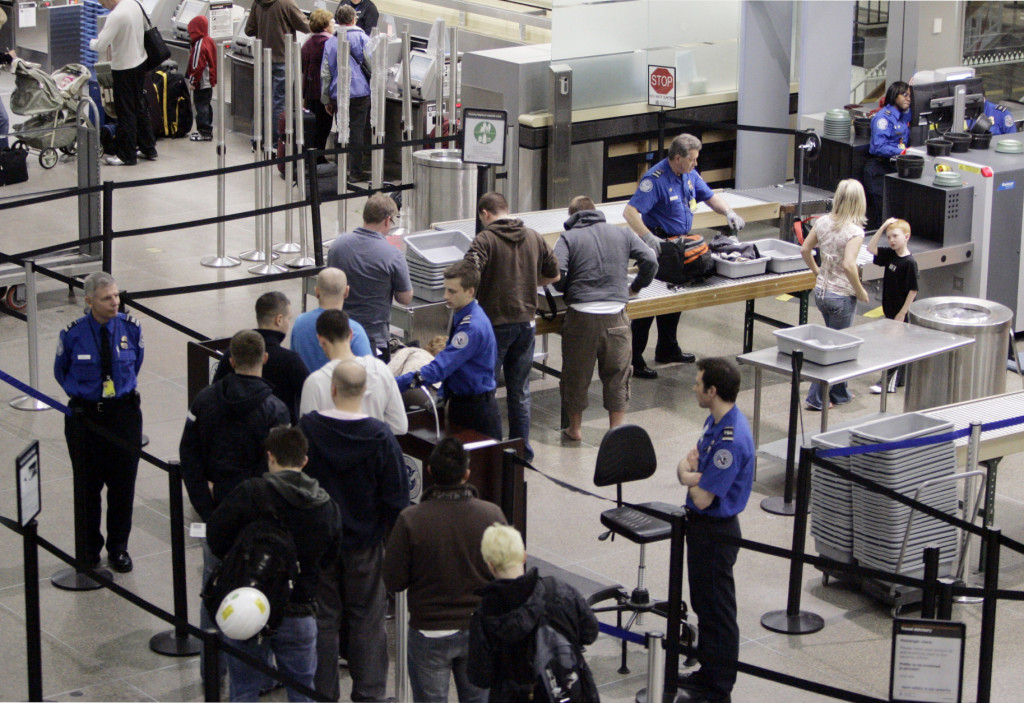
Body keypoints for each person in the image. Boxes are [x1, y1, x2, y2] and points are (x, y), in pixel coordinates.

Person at [207, 426, 342, 703]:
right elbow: (330, 557)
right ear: (304, 460)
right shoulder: (325, 506)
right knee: (302, 691)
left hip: (248, 605)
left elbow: (216, 536)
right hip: (300, 609)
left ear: (270, 456)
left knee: (243, 690)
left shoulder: (251, 492)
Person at [300, 360, 409, 702]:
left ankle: (323, 694)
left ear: (332, 389)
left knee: (324, 620)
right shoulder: (380, 437)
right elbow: (397, 499)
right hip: (365, 543)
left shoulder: (307, 429)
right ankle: (370, 694)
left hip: (319, 544)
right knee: (368, 620)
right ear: (366, 392)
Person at [383, 438, 507, 703]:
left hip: (429, 632)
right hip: (478, 631)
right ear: (466, 474)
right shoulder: (491, 515)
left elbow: (393, 580)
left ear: (429, 471)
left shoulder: (410, 519)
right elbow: (509, 576)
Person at [623, 133, 745, 379]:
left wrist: (728, 212)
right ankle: (634, 359)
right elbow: (630, 212)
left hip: (679, 247)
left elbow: (709, 196)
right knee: (647, 306)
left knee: (674, 297)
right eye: (692, 159)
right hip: (658, 245)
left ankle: (667, 348)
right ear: (677, 158)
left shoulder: (688, 174)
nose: (696, 163)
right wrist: (648, 237)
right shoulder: (655, 179)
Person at [674, 357, 754, 703]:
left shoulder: (731, 440)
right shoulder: (716, 422)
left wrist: (688, 476)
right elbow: (689, 464)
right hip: (702, 528)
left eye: (698, 384)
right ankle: (707, 671)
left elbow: (703, 497)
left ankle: (718, 686)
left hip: (716, 530)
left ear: (713, 391)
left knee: (718, 610)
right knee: (704, 603)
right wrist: (689, 473)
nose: (693, 388)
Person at [54, 272, 143, 573]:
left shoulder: (130, 329)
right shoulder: (73, 334)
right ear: (89, 301)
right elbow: (61, 371)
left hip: (124, 416)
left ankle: (119, 548)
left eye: (117, 296)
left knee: (123, 486)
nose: (115, 302)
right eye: (107, 298)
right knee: (87, 488)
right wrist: (85, 396)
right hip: (85, 418)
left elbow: (137, 362)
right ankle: (89, 549)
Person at [554, 195, 658, 441]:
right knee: (618, 374)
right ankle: (616, 429)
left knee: (576, 375)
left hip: (581, 318)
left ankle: (575, 429)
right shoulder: (622, 233)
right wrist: (635, 288)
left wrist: (568, 290)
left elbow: (556, 270)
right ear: (595, 212)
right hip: (616, 316)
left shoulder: (568, 237)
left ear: (571, 217)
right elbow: (651, 259)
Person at [467, 192, 560, 460]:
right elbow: (554, 274)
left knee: (487, 388)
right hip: (526, 324)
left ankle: (491, 448)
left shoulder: (485, 239)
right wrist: (531, 282)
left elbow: (469, 272)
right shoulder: (533, 235)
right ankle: (522, 449)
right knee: (520, 391)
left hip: (495, 325)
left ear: (485, 214)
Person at [467, 524, 599, 702]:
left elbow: (480, 677)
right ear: (523, 556)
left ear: (490, 565)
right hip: (569, 691)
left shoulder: (486, 614)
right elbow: (590, 633)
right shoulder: (558, 590)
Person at [396, 261, 501, 440]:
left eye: (452, 291)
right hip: (460, 402)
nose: (445, 296)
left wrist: (398, 383)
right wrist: (443, 394)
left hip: (476, 412)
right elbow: (456, 367)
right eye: (445, 289)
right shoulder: (462, 313)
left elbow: (441, 367)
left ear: (470, 291)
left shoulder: (472, 328)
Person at [799, 178, 870, 411]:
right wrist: (860, 291)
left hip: (821, 292)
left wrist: (817, 271)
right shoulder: (855, 232)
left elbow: (805, 249)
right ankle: (815, 397)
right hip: (841, 296)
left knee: (835, 341)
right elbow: (850, 265)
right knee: (834, 347)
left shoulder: (822, 222)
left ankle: (839, 392)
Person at [326, 193, 413, 358]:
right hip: (374, 340)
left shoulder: (338, 246)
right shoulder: (392, 254)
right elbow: (405, 298)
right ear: (387, 220)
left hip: (338, 335)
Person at [299, 308, 407, 435]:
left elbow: (306, 434)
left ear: (320, 339)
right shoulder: (380, 369)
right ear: (351, 334)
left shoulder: (314, 383)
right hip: (373, 451)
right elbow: (400, 426)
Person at [213, 291, 309, 423]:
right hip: (279, 436)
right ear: (279, 319)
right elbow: (310, 394)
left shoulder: (234, 352)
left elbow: (215, 394)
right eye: (289, 318)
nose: (289, 323)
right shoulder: (290, 360)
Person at [89, 0, 157, 166]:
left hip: (124, 69)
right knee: (138, 106)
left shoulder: (116, 15)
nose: (102, 6)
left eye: (102, 2)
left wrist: (91, 43)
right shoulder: (134, 3)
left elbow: (101, 45)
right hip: (141, 62)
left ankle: (126, 155)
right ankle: (148, 147)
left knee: (125, 111)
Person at [245, 0, 309, 144]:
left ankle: (258, 138)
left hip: (263, 59)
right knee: (279, 102)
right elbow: (306, 26)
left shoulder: (257, 3)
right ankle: (275, 140)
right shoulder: (286, 3)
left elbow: (249, 29)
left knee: (261, 100)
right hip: (283, 58)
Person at [866, 217, 918, 394]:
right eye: (889, 237)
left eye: (895, 236)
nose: (892, 240)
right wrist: (882, 227)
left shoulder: (909, 263)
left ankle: (887, 383)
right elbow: (870, 248)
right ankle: (900, 379)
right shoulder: (890, 255)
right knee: (896, 345)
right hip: (889, 309)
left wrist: (903, 313)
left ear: (907, 237)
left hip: (900, 312)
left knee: (894, 347)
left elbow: (913, 290)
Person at [323, 4, 371, 181]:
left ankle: (340, 170)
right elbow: (371, 63)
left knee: (341, 128)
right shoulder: (363, 38)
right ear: (354, 19)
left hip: (338, 93)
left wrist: (326, 98)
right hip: (360, 92)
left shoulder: (330, 42)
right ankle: (356, 172)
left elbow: (325, 73)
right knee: (357, 131)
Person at [290, 267, 373, 371]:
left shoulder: (300, 323)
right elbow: (368, 372)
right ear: (346, 292)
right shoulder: (354, 330)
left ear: (316, 291)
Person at [865, 81, 911, 229]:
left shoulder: (903, 118)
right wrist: (902, 152)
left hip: (894, 169)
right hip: (879, 170)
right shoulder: (883, 119)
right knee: (882, 217)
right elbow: (879, 147)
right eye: (904, 95)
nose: (908, 98)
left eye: (909, 95)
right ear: (894, 95)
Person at [301, 9, 335, 154]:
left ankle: (311, 155)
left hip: (309, 91)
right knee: (323, 127)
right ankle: (319, 157)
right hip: (322, 92)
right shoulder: (328, 42)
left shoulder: (308, 42)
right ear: (325, 25)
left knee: (312, 127)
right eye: (331, 22)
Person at [185, 15, 216, 142]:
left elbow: (197, 65)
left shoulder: (199, 45)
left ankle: (204, 131)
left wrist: (193, 81)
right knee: (206, 104)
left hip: (202, 82)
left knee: (201, 106)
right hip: (209, 81)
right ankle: (208, 128)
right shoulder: (209, 40)